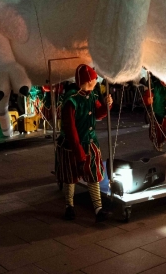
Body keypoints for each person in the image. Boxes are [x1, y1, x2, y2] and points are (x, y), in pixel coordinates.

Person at [54, 64, 112, 222]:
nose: (96, 80)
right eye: (94, 78)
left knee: (93, 175)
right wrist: (78, 152)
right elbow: (71, 130)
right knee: (70, 176)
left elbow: (99, 114)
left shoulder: (92, 96)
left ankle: (98, 209)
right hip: (71, 146)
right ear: (88, 80)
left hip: (90, 143)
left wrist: (107, 105)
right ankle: (69, 206)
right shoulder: (71, 101)